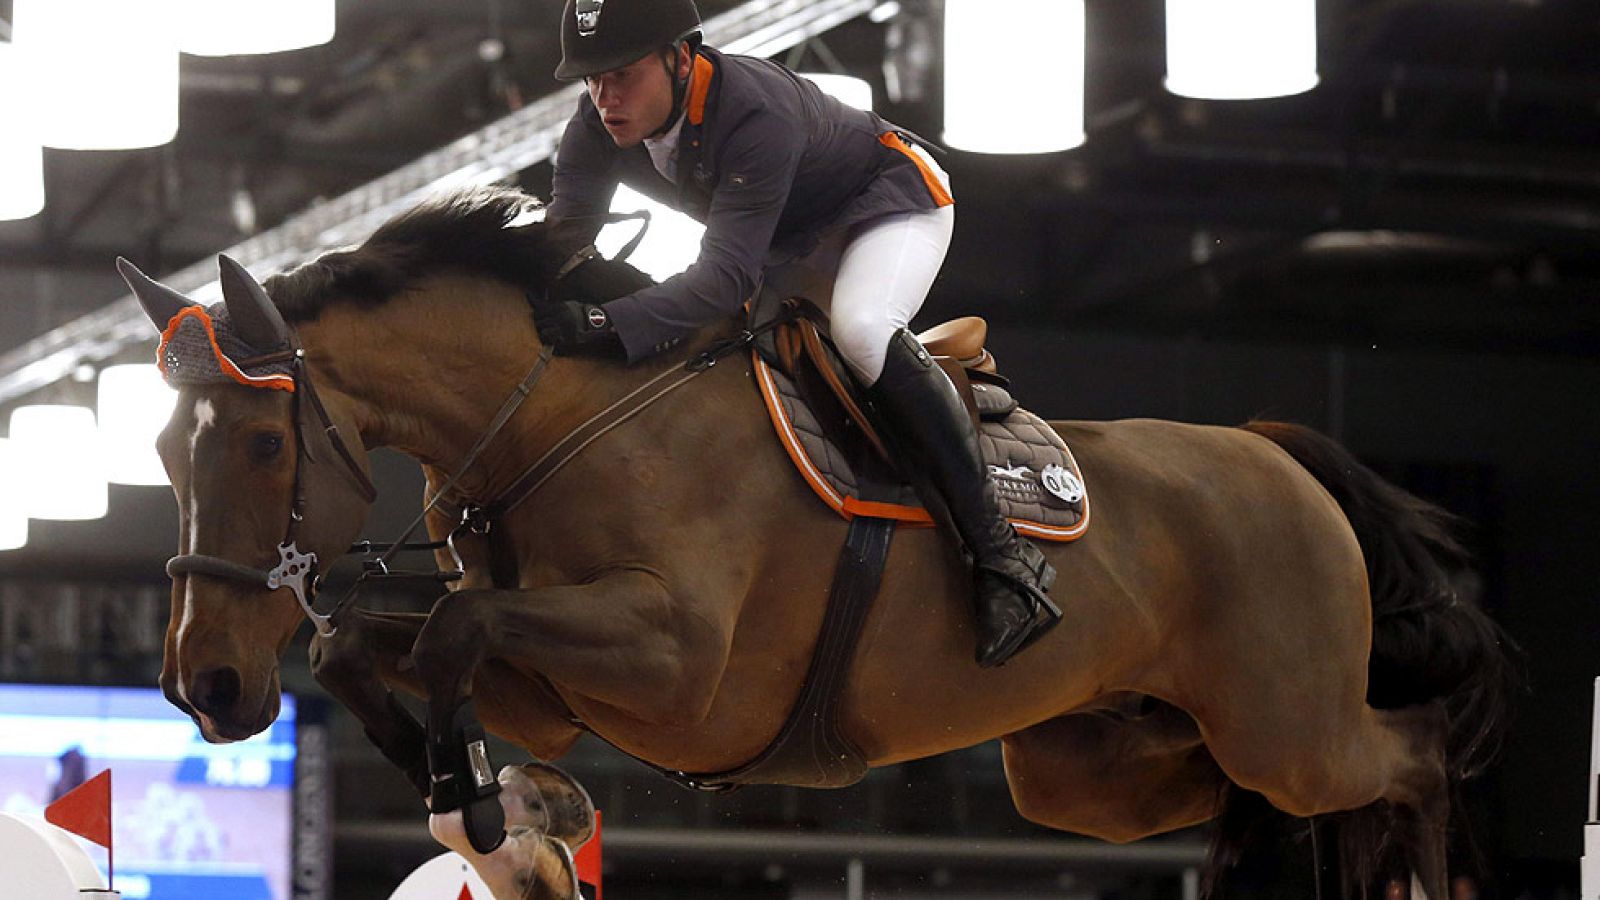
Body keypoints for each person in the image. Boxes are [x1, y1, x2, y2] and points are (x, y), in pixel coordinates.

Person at [535, 0, 1058, 667]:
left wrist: (610, 320)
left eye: (621, 74)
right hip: (786, 243)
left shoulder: (754, 112)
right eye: (590, 79)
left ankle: (1003, 556)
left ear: (680, 55)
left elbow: (723, 277)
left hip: (886, 206)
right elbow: (562, 241)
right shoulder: (594, 122)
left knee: (863, 332)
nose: (605, 96)